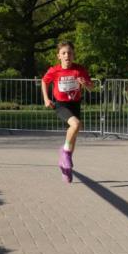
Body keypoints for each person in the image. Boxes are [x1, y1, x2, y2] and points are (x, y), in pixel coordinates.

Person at [41, 41, 94, 183]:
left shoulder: (79, 69)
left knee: (73, 135)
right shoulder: (54, 70)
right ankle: (64, 153)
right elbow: (44, 81)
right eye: (64, 53)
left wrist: (85, 84)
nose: (67, 56)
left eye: (70, 53)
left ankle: (66, 167)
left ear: (73, 55)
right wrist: (46, 99)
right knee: (76, 125)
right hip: (60, 105)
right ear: (58, 56)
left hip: (75, 104)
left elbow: (91, 88)